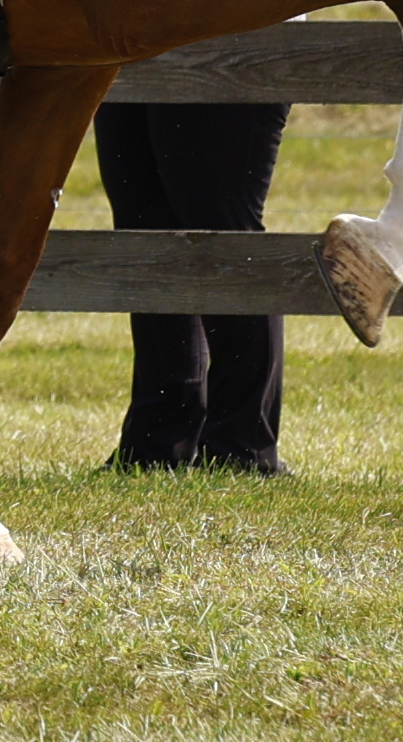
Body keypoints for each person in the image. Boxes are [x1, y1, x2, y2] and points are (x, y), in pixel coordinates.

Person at [94, 98, 293, 474]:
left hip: (226, 51)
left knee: (224, 233)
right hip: (126, 51)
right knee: (145, 231)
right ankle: (157, 442)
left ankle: (242, 447)